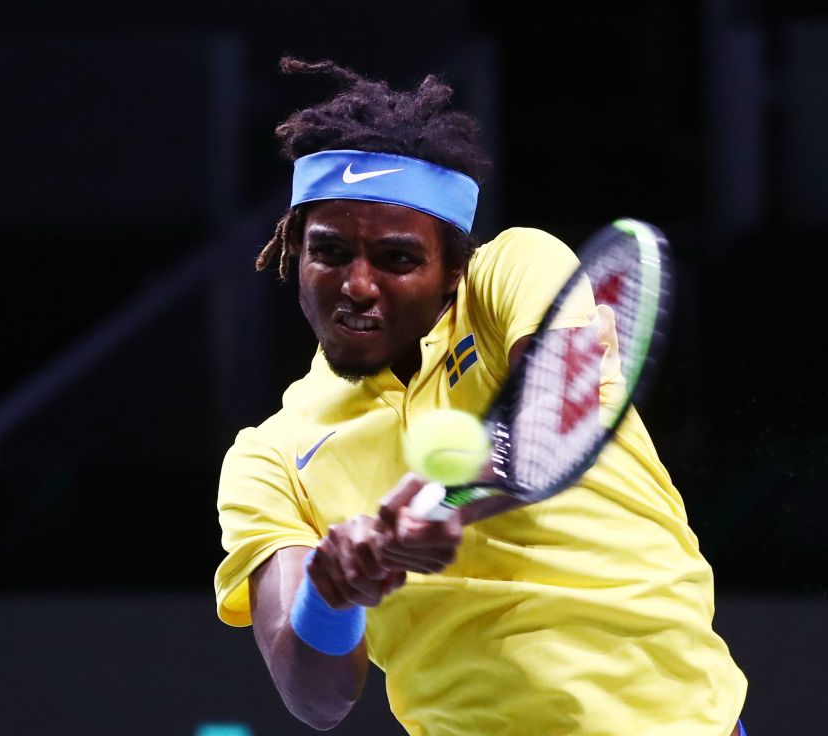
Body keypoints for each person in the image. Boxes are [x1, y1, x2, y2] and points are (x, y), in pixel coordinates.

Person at [214, 57, 748, 736]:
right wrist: (333, 590)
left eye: (397, 259)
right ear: (294, 250)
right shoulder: (268, 458)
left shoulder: (513, 272)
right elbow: (316, 700)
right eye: (330, 250)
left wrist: (452, 500)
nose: (356, 284)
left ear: (452, 271)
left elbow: (556, 409)